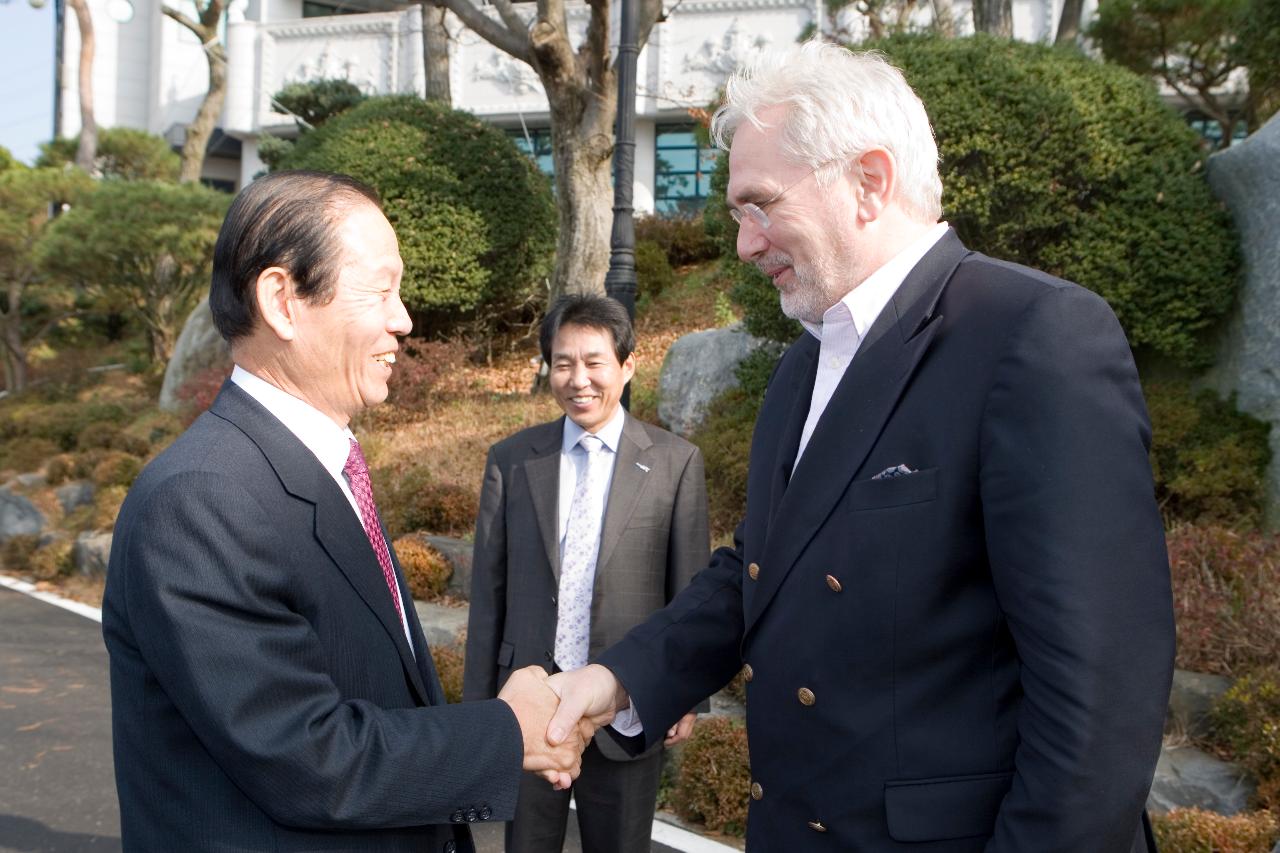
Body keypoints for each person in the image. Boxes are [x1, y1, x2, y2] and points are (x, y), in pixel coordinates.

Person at [545, 42, 1175, 851]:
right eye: (739, 215)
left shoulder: (1033, 336)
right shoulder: (807, 361)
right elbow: (762, 569)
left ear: (869, 181)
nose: (744, 243)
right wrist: (618, 679)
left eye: (760, 204)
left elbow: (1100, 699)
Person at [102, 170, 593, 853]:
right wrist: (509, 730)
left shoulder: (316, 468)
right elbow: (311, 758)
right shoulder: (202, 498)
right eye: (380, 289)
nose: (404, 319)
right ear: (282, 299)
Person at [464, 294, 709, 853]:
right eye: (563, 362)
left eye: (594, 362)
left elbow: (691, 592)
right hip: (529, 701)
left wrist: (685, 691)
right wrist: (480, 710)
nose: (579, 379)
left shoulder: (675, 462)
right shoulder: (513, 460)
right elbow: (489, 593)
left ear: (626, 366)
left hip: (626, 699)